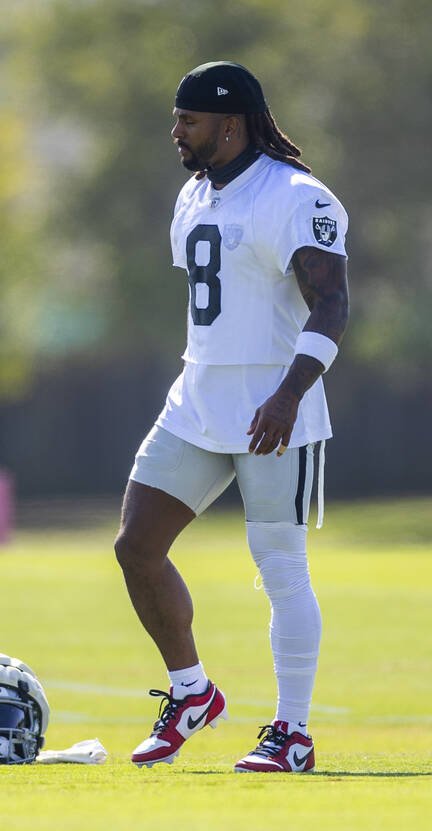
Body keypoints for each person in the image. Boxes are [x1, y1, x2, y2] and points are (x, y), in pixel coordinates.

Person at [114, 63, 349, 773]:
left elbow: (332, 303)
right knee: (136, 547)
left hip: (276, 407)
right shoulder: (192, 194)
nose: (176, 131)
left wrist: (288, 393)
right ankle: (192, 693)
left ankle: (293, 733)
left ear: (231, 124)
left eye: (189, 120)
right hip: (199, 397)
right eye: (177, 117)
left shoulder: (296, 196)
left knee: (280, 566)